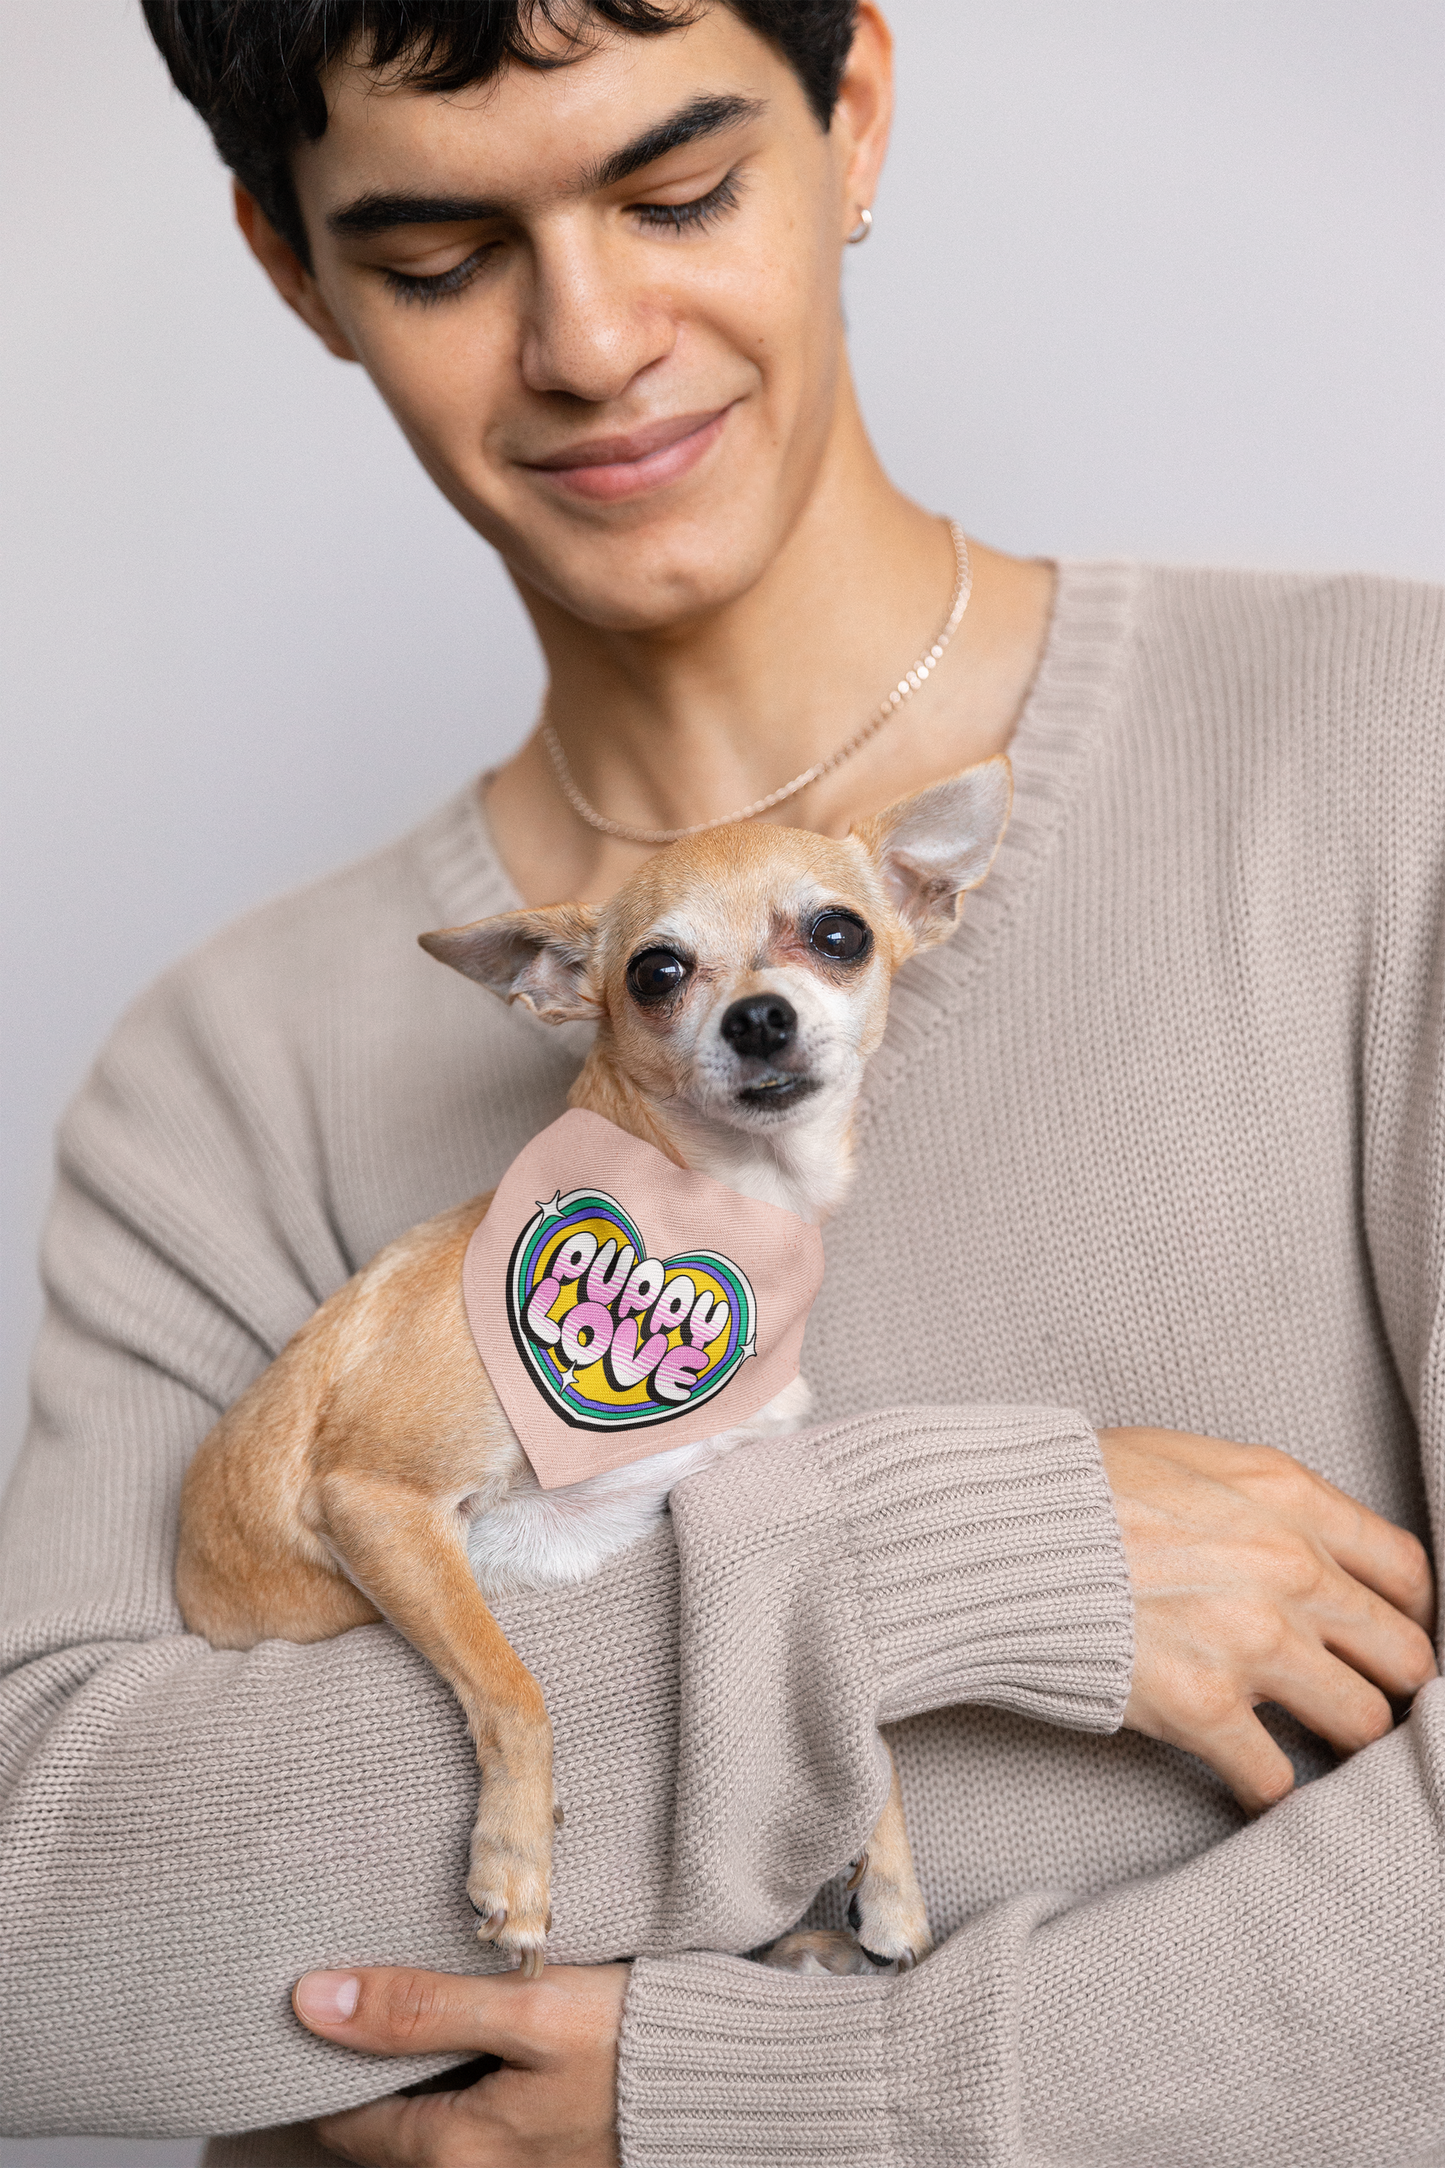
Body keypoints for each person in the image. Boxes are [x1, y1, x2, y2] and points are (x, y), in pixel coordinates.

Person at [2, 2, 1442, 2162]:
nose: (588, 338)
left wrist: (778, 2096)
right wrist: (929, 1563)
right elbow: (55, 1951)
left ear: (852, 112)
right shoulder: (233, 1072)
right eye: (432, 258)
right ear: (292, 273)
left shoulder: (1381, 758)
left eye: (676, 193)